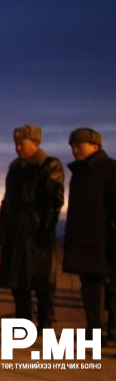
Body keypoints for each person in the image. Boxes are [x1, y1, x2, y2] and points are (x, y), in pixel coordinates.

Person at [0, 125, 64, 331]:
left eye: (21, 144)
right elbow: (7, 199)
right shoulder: (15, 167)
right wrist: (1, 223)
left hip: (35, 227)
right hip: (15, 229)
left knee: (42, 281)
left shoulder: (48, 165)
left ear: (35, 144)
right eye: (15, 144)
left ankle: (45, 323)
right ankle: (23, 324)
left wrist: (46, 228)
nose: (17, 148)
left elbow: (54, 201)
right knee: (18, 281)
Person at [62, 128, 116, 344]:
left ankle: (112, 329)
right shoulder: (79, 173)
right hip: (84, 241)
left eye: (79, 145)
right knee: (90, 288)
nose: (74, 149)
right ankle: (95, 330)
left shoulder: (110, 168)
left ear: (95, 146)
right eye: (72, 146)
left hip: (107, 240)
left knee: (112, 287)